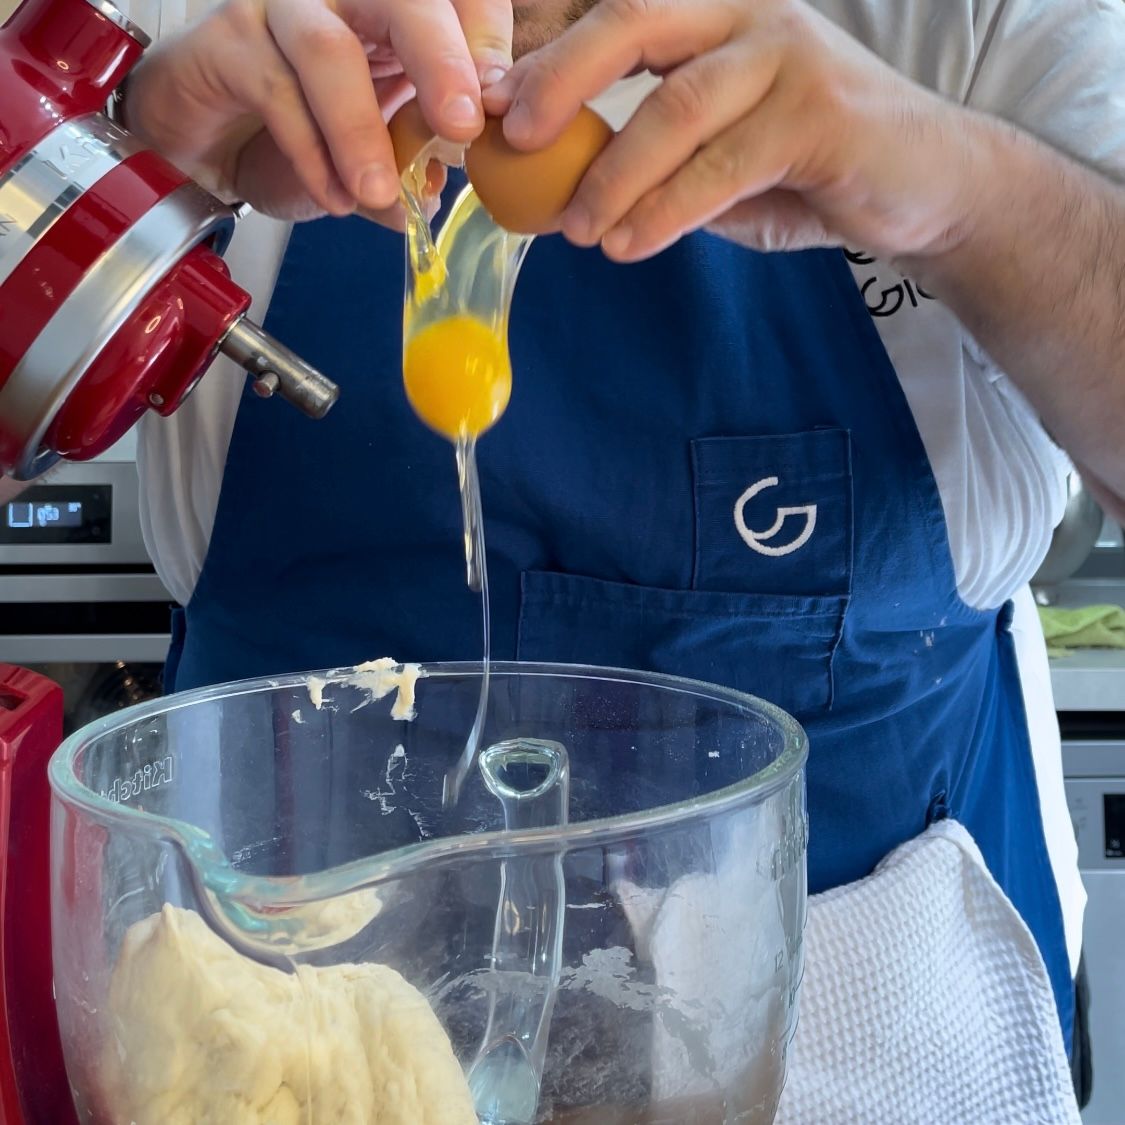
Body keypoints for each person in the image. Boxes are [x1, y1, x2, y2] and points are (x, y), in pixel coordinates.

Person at [56, 0, 1125, 1113]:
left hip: (847, 1048)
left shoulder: (972, 24)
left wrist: (968, 198)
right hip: (280, 1050)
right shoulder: (173, 22)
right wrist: (128, 192)